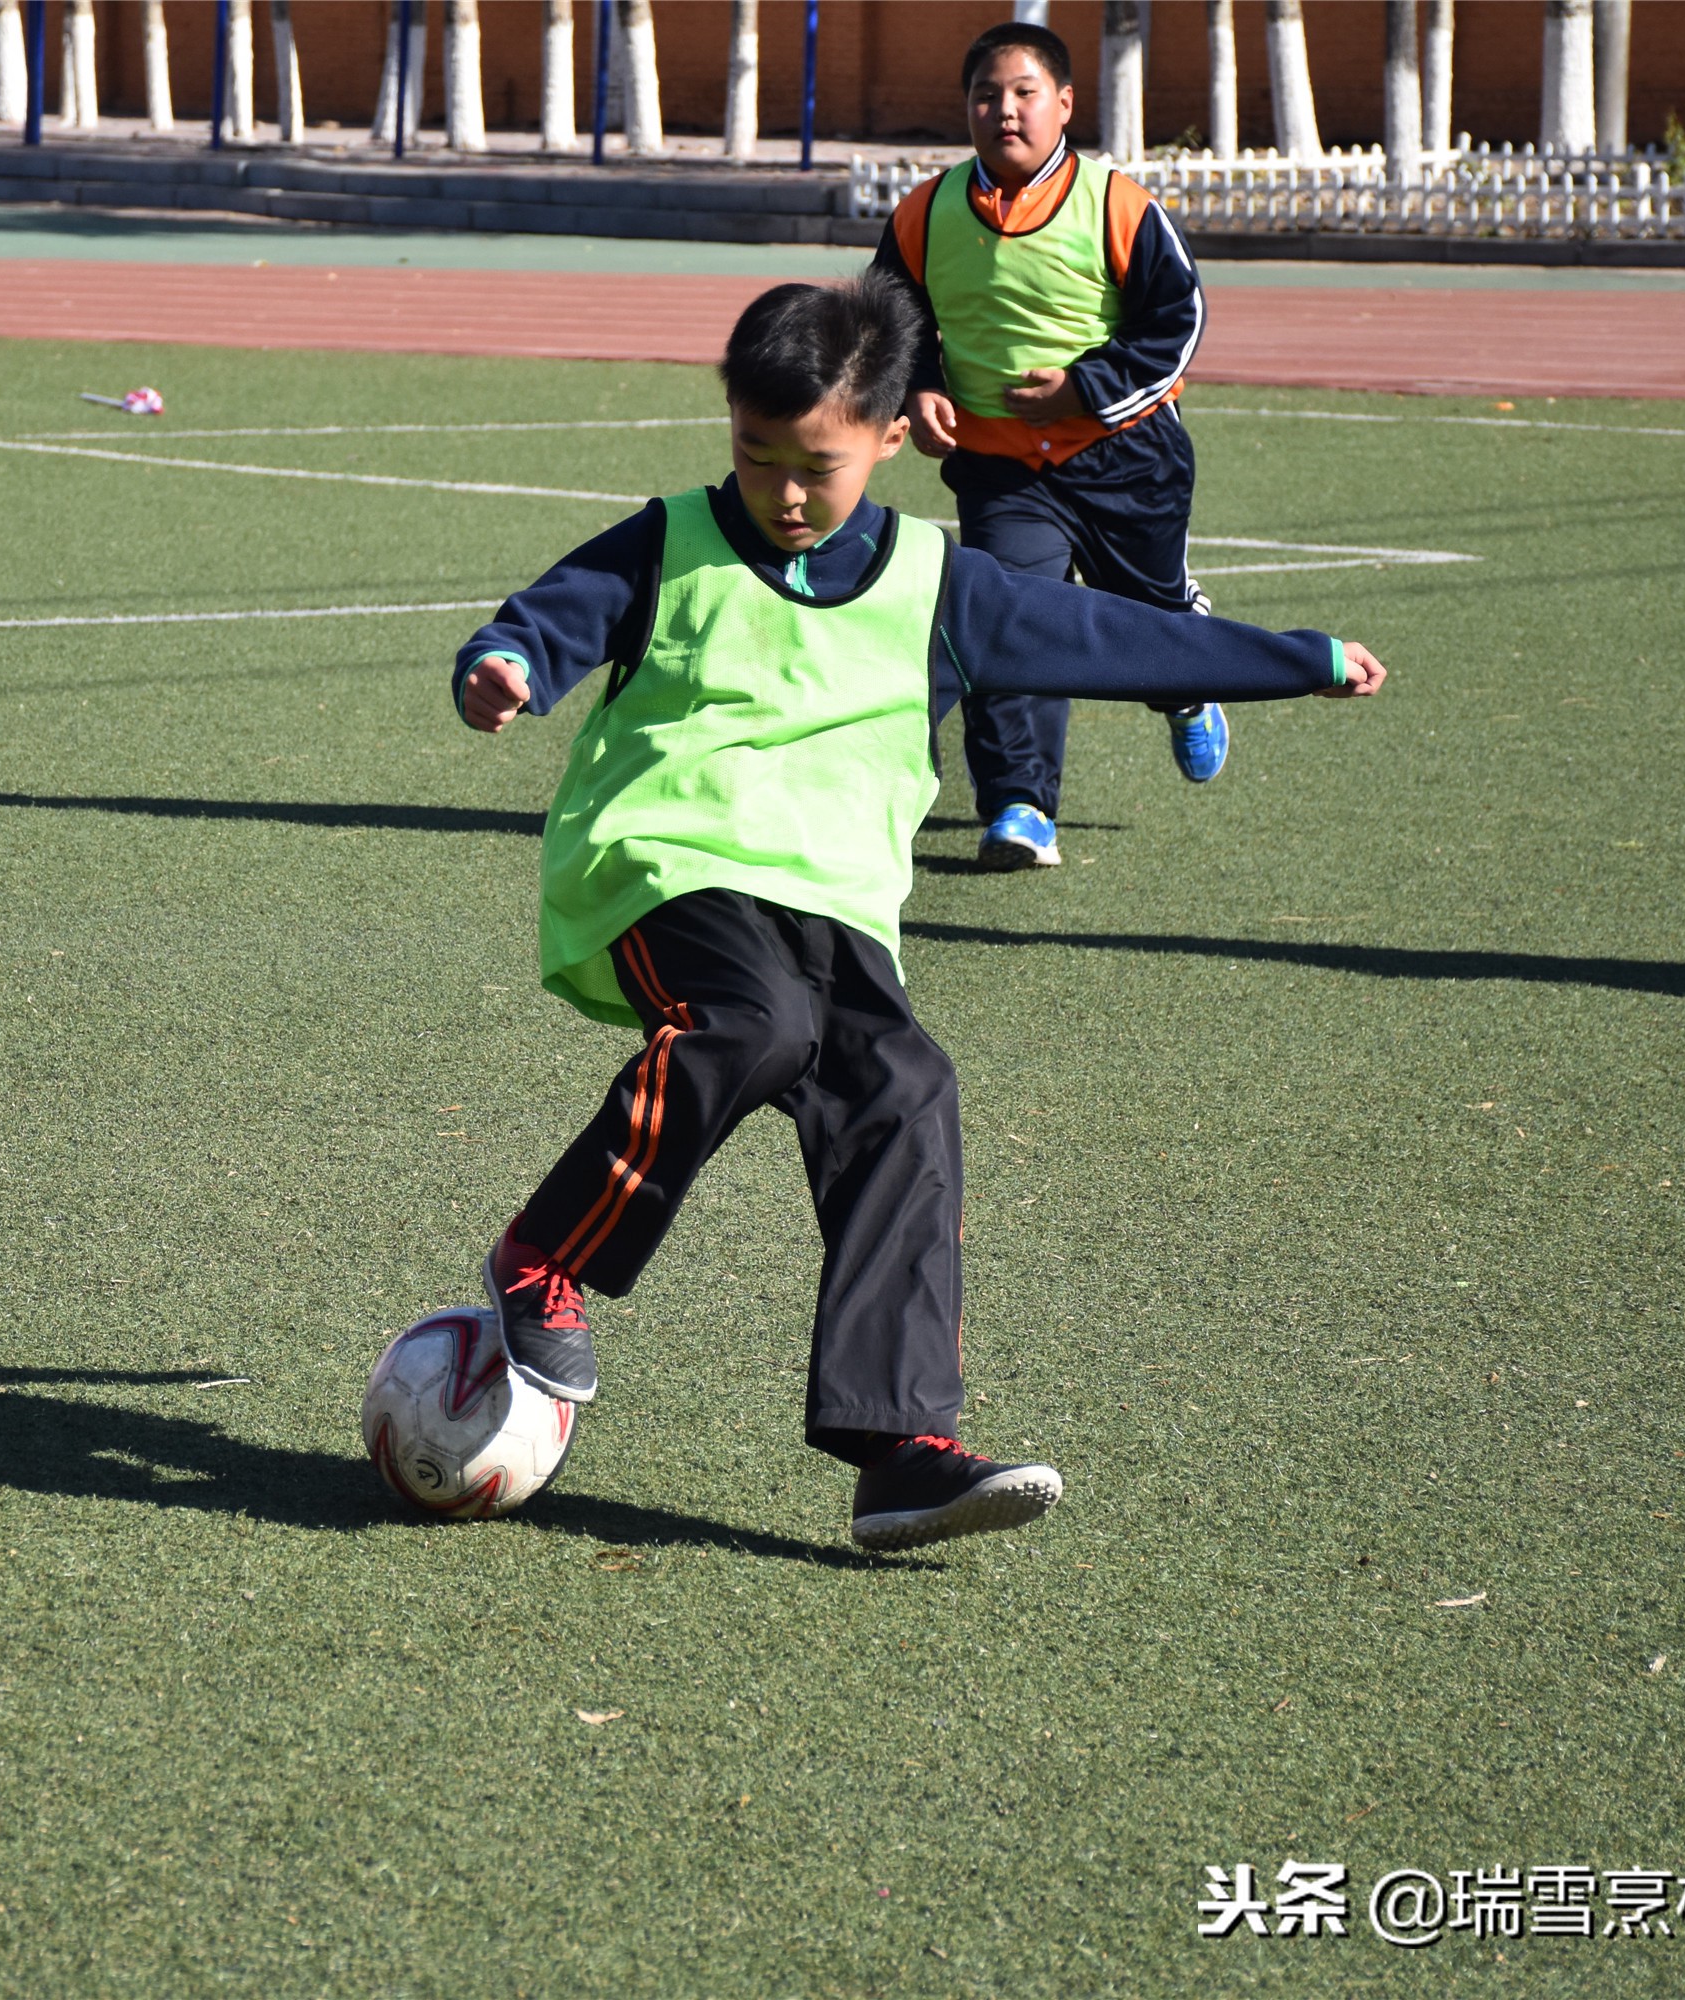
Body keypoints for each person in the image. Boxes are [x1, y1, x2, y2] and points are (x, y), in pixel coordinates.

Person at [450, 273, 1386, 1552]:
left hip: (831, 899)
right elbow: (554, 615)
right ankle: (543, 1257)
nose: (782, 490)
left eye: (816, 464)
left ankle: (900, 1450)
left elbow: (1112, 638)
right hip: (660, 865)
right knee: (757, 1020)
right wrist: (503, 667)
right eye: (755, 451)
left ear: (893, 437)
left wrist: (1297, 660)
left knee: (905, 1087)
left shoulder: (940, 581)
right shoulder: (670, 540)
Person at [873, 21, 1218, 873]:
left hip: (1127, 459)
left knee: (1149, 626)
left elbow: (1180, 323)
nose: (1005, 110)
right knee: (1004, 621)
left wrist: (1085, 390)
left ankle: (1186, 688)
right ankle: (1021, 806)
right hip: (1001, 470)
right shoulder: (923, 213)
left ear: (1064, 103)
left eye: (1025, 92)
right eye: (987, 95)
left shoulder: (1119, 204)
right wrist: (918, 390)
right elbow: (891, 323)